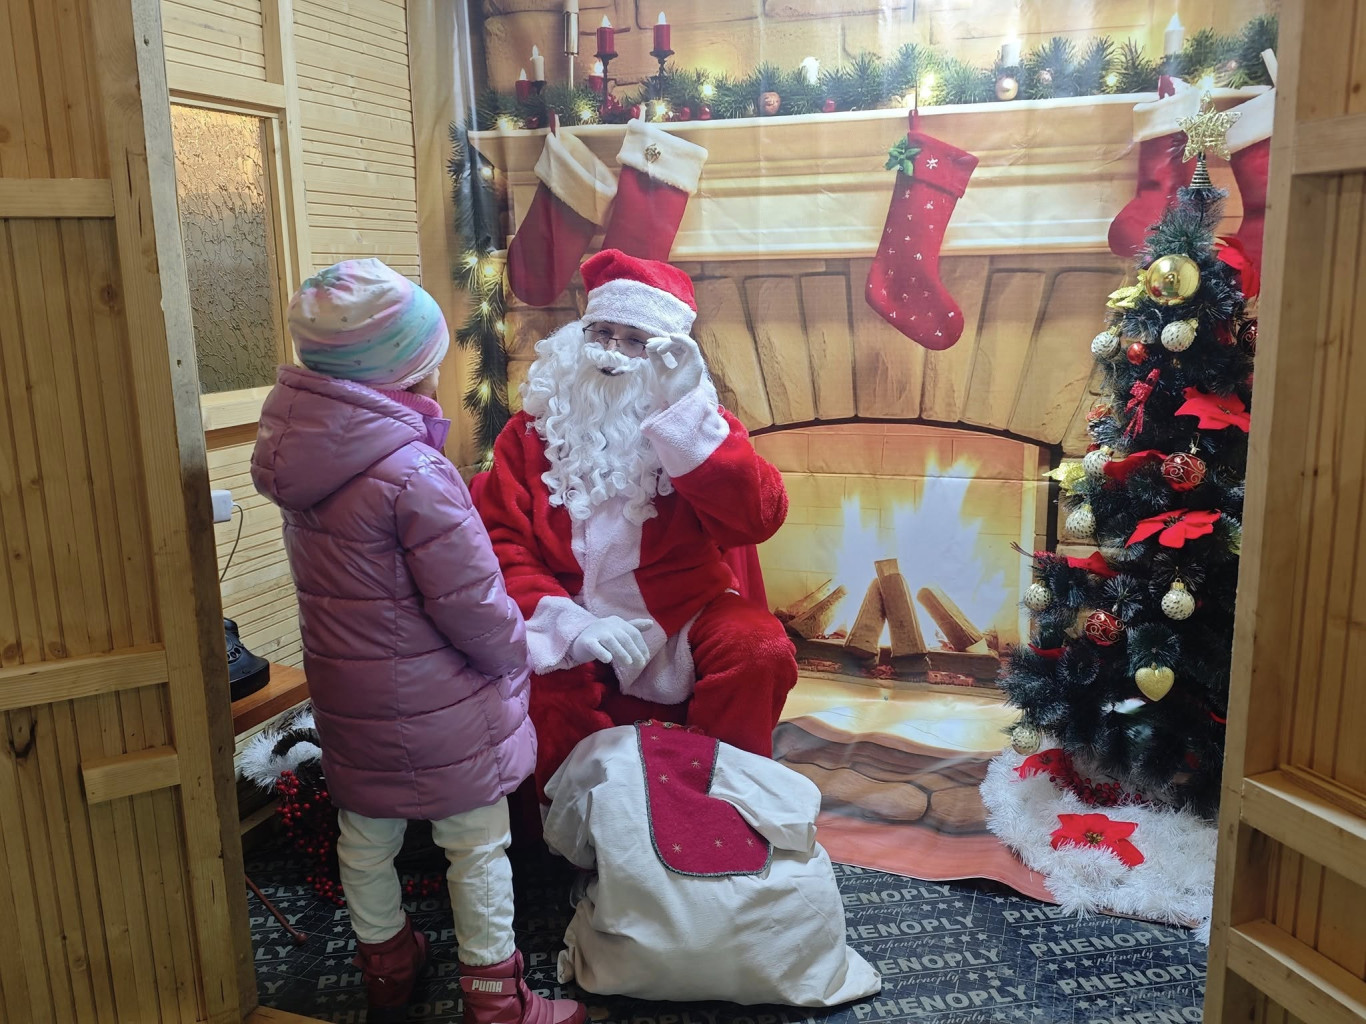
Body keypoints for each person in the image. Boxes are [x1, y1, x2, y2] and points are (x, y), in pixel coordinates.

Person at [251, 259, 586, 1024]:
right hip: (443, 709)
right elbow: (472, 604)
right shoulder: (416, 474)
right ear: (409, 371)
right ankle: (497, 998)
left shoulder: (302, 460)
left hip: (350, 700)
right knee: (476, 845)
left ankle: (388, 968)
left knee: (364, 839)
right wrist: (517, 653)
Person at [475, 249, 799, 800]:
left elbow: (757, 519)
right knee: (543, 685)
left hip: (681, 613)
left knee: (759, 648)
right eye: (601, 332)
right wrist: (570, 626)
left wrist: (685, 413)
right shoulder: (529, 434)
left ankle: (720, 804)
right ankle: (573, 824)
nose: (611, 353)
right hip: (572, 611)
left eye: (635, 340)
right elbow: (503, 546)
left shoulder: (697, 424)